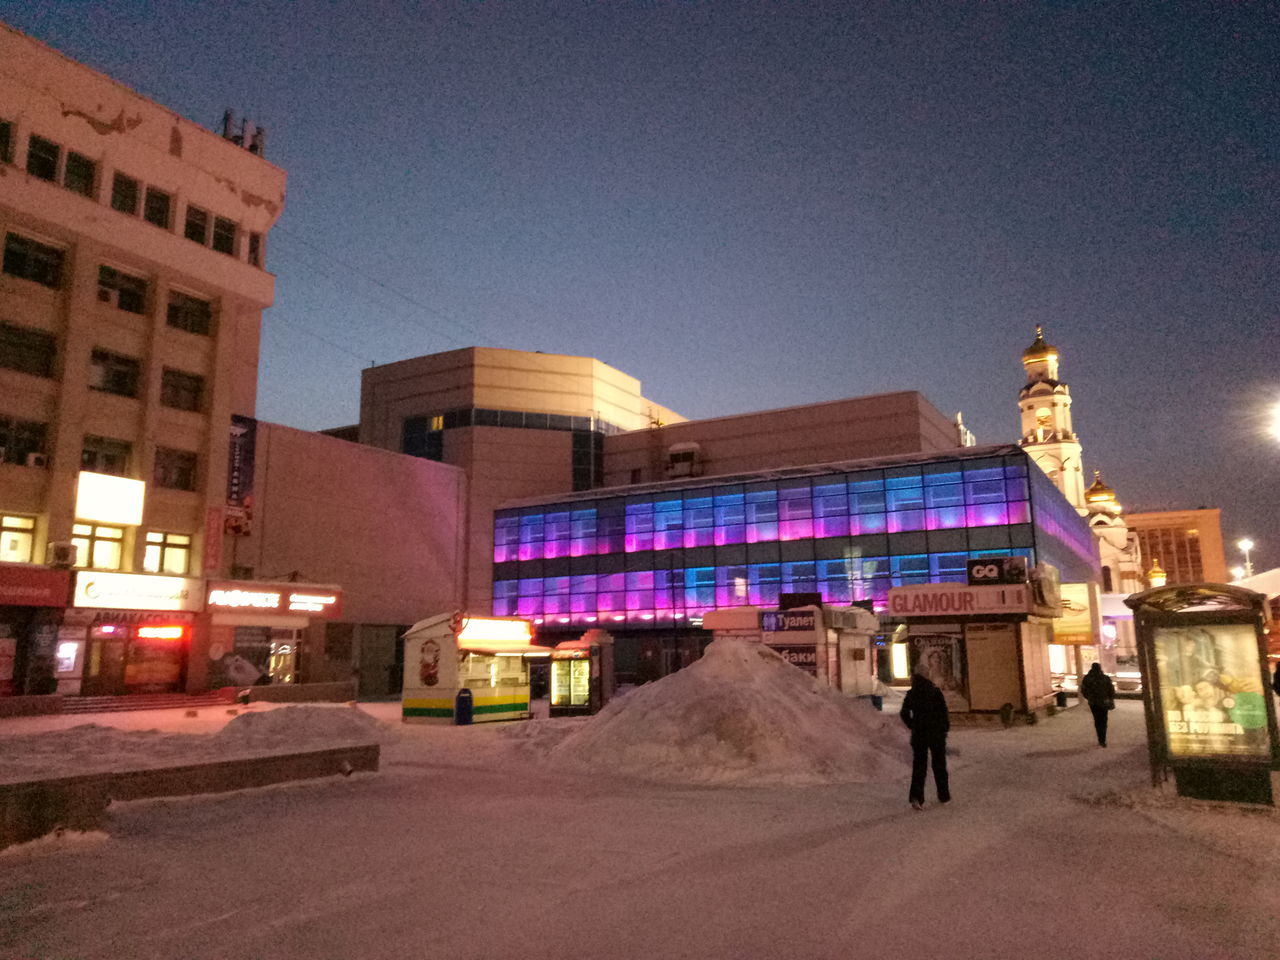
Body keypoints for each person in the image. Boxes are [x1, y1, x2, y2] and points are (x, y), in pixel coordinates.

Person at [900, 670, 951, 810]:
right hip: (936, 734)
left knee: (919, 767)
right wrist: (944, 728)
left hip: (920, 735)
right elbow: (943, 712)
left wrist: (913, 725)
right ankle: (944, 795)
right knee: (939, 765)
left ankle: (916, 797)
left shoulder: (912, 694)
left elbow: (904, 713)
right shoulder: (935, 692)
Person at [1080, 662, 1115, 747]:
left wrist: (1089, 697)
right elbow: (1111, 690)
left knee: (1097, 719)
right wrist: (1109, 698)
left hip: (1093, 702)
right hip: (1104, 701)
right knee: (1104, 720)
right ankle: (1103, 739)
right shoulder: (1105, 678)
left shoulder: (1087, 678)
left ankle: (1100, 737)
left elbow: (1083, 690)